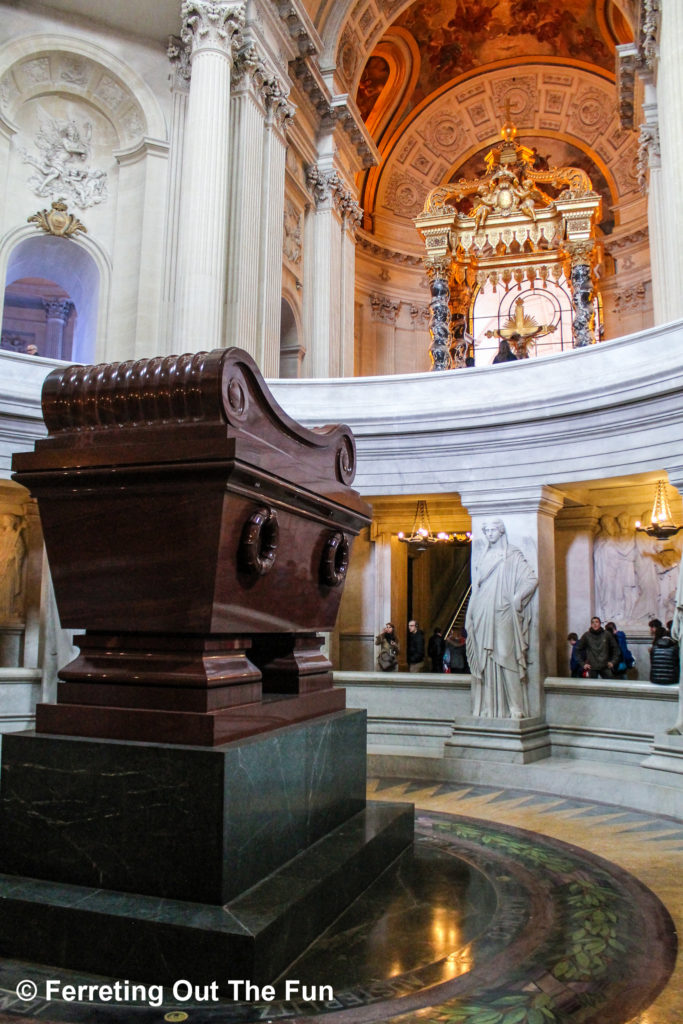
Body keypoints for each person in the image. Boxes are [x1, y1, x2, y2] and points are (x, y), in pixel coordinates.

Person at [465, 518, 538, 718]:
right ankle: (489, 708)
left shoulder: (512, 554)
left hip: (503, 610)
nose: (489, 534)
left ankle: (515, 707)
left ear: (501, 531)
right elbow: (476, 587)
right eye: (486, 531)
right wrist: (469, 614)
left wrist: (517, 597)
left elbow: (531, 579)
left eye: (492, 530)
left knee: (507, 657)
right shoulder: (483, 555)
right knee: (485, 661)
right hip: (482, 610)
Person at [649, 618, 679, 685]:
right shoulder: (675, 648)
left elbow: (652, 661)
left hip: (655, 680)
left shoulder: (654, 648)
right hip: (672, 680)